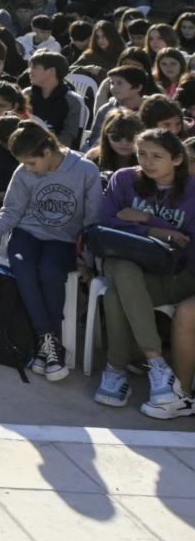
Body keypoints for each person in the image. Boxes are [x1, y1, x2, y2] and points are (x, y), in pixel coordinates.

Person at [0, 122, 98, 382]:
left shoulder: (85, 170)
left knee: (50, 271)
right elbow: (11, 212)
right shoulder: (23, 172)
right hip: (27, 235)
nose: (28, 168)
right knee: (23, 266)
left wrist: (88, 259)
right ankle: (50, 340)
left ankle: (47, 345)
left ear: (47, 151)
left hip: (64, 240)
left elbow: (92, 221)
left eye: (32, 163)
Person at [92, 130, 195, 414]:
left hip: (173, 273)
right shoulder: (124, 179)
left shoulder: (192, 191)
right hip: (122, 257)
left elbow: (187, 242)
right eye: (142, 154)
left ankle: (115, 369)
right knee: (124, 270)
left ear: (176, 159)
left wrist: (147, 219)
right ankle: (157, 364)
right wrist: (153, 230)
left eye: (157, 156)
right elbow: (105, 221)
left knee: (116, 295)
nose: (147, 163)